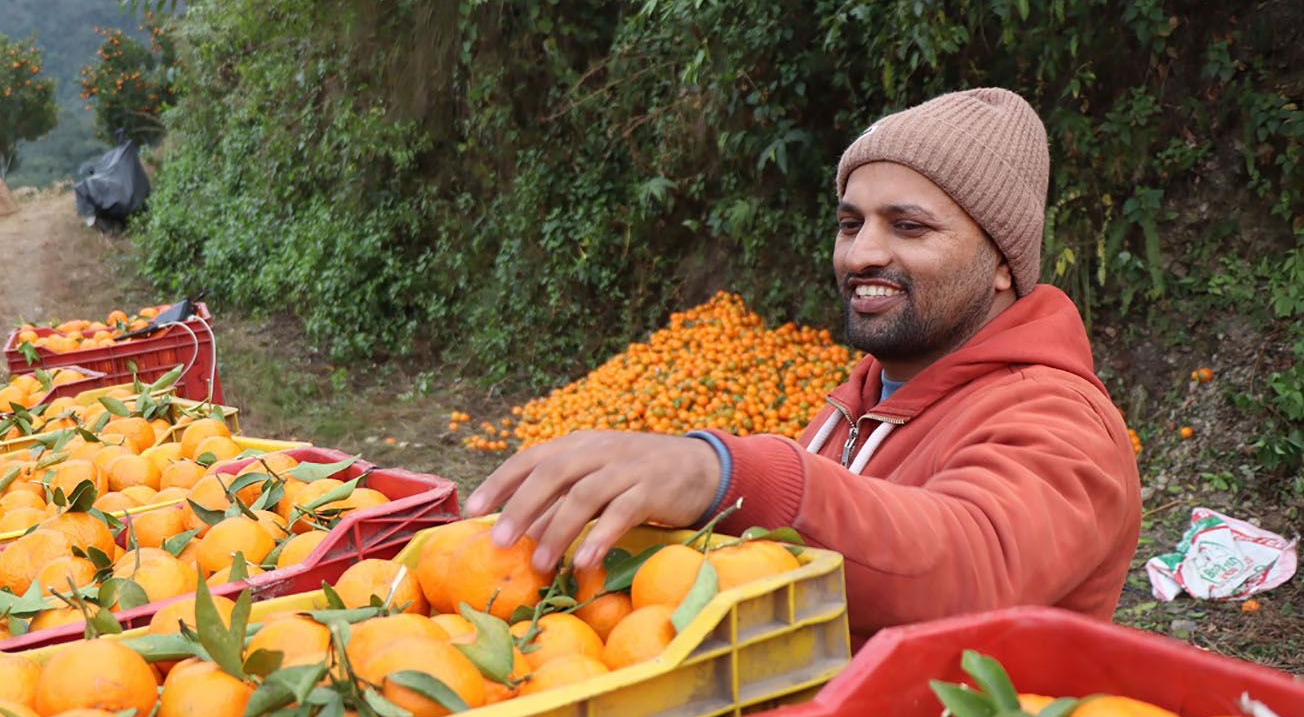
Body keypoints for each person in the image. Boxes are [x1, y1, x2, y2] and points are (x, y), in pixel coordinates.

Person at [467, 88, 1141, 640]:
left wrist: (727, 474)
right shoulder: (863, 398)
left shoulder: (1058, 416)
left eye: (908, 226)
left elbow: (974, 560)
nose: (861, 254)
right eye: (850, 224)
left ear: (1002, 264)